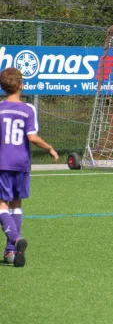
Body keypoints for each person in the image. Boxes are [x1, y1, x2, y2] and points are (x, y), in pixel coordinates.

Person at [0, 68, 59, 267]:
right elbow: (32, 137)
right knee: (16, 205)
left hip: (2, 163)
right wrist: (49, 148)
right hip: (22, 164)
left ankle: (15, 240)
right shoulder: (28, 109)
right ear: (21, 85)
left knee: (1, 205)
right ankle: (10, 252)